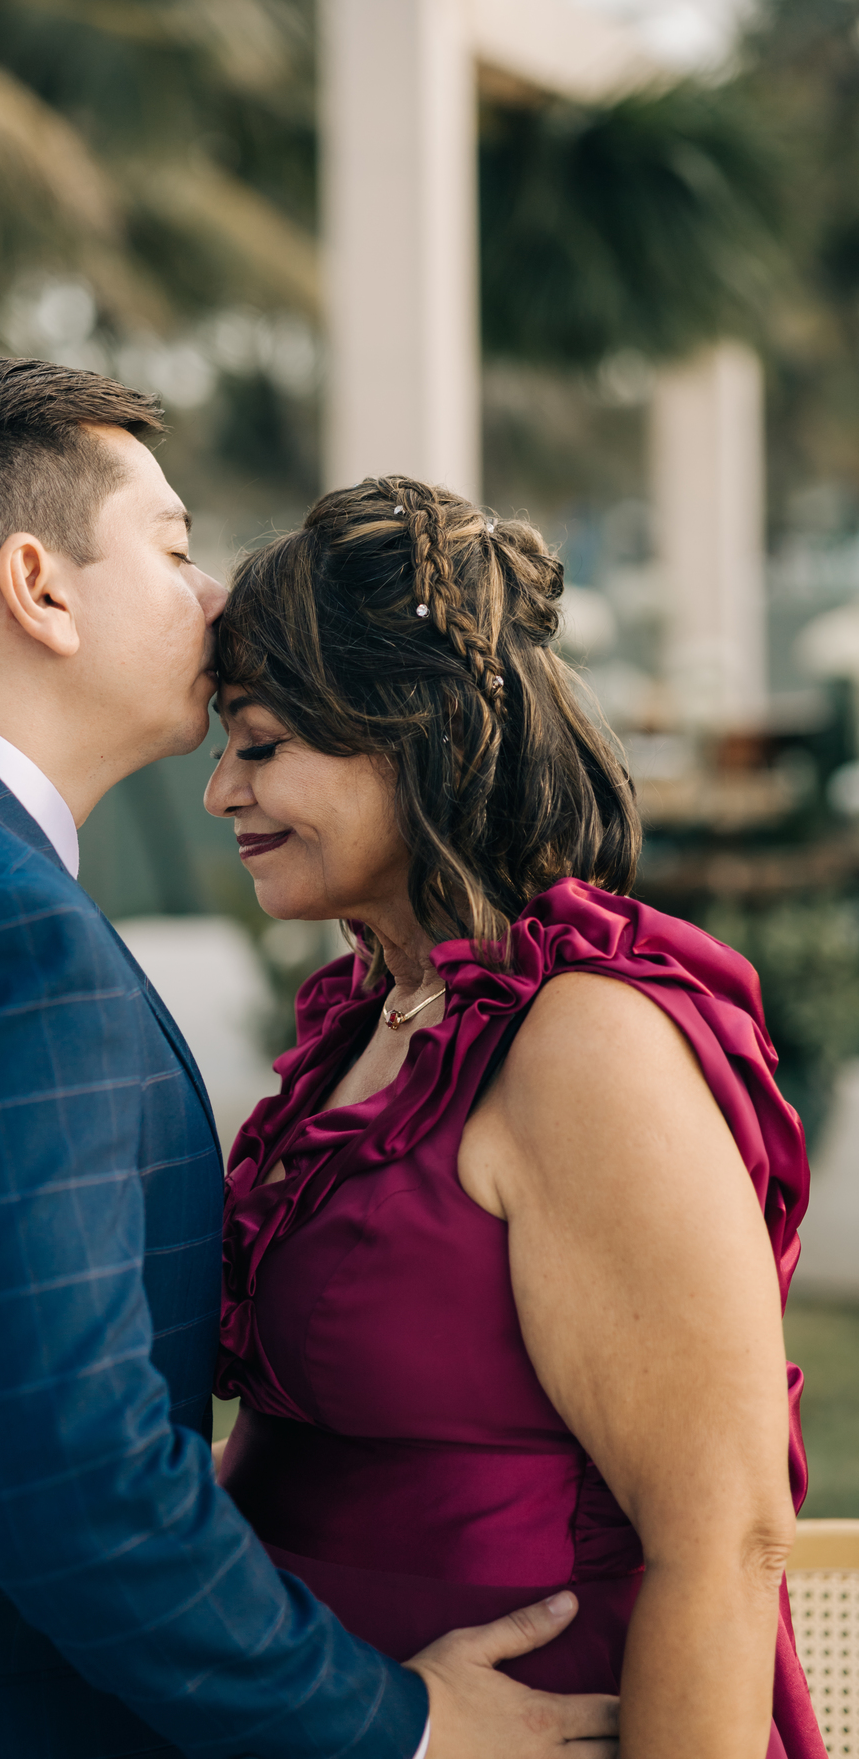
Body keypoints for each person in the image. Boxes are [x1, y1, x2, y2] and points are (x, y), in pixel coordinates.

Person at [0, 362, 620, 1758]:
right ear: (38, 588)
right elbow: (79, 1493)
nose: (215, 597)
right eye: (172, 548)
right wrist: (401, 1726)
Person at [205, 476, 827, 1759]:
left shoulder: (585, 1042)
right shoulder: (370, 1016)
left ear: (415, 731)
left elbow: (726, 1539)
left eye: (260, 746)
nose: (222, 791)